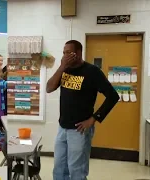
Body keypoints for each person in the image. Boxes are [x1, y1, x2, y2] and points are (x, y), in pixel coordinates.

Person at [47, 40, 119, 180]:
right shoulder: (65, 69)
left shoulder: (92, 72)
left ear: (79, 53)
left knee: (76, 170)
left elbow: (113, 96)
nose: (65, 55)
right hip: (62, 128)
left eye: (69, 52)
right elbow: (49, 88)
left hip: (80, 130)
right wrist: (62, 67)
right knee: (59, 169)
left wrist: (93, 119)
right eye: (64, 53)